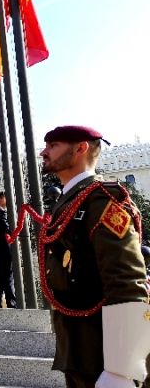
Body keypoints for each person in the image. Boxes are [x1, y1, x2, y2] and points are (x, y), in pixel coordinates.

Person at [39, 125, 149, 388]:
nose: (44, 152)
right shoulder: (72, 199)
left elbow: (127, 280)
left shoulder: (102, 200)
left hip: (103, 350)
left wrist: (121, 368)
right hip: (78, 347)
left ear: (81, 148)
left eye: (53, 146)